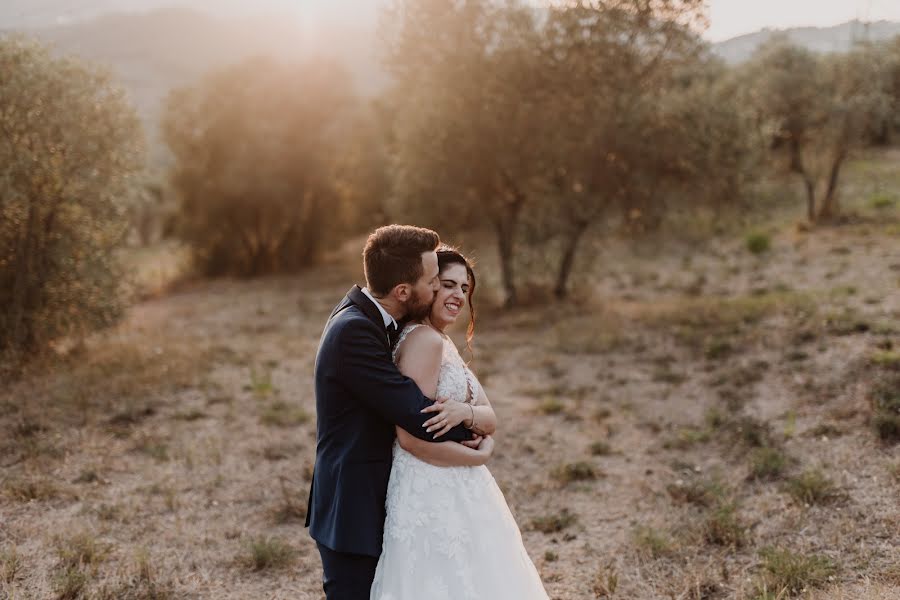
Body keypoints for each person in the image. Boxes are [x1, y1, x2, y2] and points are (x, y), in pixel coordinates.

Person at [305, 226, 495, 600]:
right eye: (433, 282)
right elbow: (416, 413)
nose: (439, 290)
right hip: (352, 509)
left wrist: (474, 415)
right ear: (403, 291)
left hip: (379, 499)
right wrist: (475, 441)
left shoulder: (374, 318)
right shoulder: (355, 331)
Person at [370, 246, 549, 600]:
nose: (457, 296)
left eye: (464, 289)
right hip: (432, 489)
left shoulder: (441, 341)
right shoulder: (423, 342)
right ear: (429, 287)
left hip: (455, 485)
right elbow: (409, 439)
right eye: (448, 285)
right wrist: (479, 457)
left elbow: (489, 417)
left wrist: (466, 414)